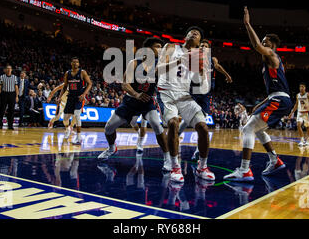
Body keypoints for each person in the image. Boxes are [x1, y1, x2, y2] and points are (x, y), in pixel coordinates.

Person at [224, 7, 292, 182]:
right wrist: (260, 103)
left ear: (272, 45)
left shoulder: (272, 55)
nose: (262, 44)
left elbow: (256, 46)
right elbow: (276, 90)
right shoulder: (270, 62)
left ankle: (245, 170)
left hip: (279, 99)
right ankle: (274, 160)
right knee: (259, 129)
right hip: (275, 98)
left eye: (265, 41)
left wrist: (247, 24)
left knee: (248, 128)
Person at [98, 37, 171, 172]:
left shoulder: (159, 65)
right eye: (158, 46)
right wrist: (136, 94)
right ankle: (111, 148)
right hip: (131, 101)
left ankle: (167, 157)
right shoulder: (134, 63)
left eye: (161, 47)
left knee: (156, 125)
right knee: (108, 128)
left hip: (147, 102)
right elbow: (125, 84)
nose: (160, 49)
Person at [156, 27, 215, 183]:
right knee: (173, 123)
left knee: (203, 127)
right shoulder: (171, 47)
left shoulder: (197, 57)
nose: (194, 33)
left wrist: (203, 75)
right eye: (191, 31)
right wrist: (179, 61)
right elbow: (157, 70)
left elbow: (201, 86)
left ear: (198, 42)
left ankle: (202, 167)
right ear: (185, 36)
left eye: (198, 33)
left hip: (184, 95)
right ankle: (175, 166)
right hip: (166, 92)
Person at [178, 38, 233, 161]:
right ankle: (175, 136)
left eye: (205, 45)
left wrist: (227, 75)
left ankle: (198, 151)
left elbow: (218, 67)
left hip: (206, 94)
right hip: (194, 90)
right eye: (201, 45)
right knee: (189, 118)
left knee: (201, 122)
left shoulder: (212, 59)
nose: (203, 46)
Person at [58, 57, 92, 145]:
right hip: (70, 97)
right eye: (74, 62)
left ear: (79, 64)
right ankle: (68, 128)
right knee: (65, 118)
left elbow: (90, 83)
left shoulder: (82, 72)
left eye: (77, 62)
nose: (75, 63)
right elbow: (65, 86)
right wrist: (59, 97)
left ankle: (79, 137)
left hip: (79, 97)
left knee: (77, 115)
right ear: (71, 63)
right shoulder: (67, 73)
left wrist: (84, 94)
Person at [0, 65, 19, 130]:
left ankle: (10, 125)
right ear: (5, 70)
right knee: (2, 110)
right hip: (4, 94)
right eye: (7, 68)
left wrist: (17, 96)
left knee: (11, 110)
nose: (9, 70)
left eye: (10, 69)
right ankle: (0, 125)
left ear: (11, 70)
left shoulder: (14, 77)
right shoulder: (2, 77)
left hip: (12, 94)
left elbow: (16, 87)